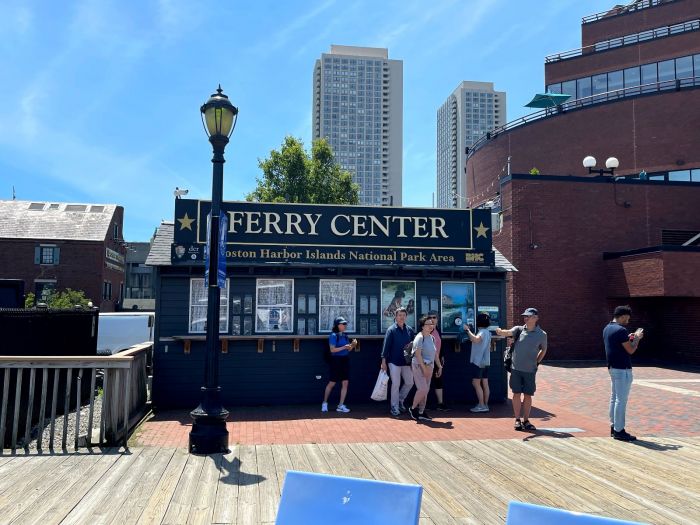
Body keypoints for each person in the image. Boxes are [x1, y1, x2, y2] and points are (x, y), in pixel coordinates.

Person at [496, 307, 547, 431]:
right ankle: (517, 419)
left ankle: (526, 420)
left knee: (528, 395)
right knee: (516, 394)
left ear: (535, 318)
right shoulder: (518, 329)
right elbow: (507, 332)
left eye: (528, 316)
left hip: (530, 370)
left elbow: (543, 350)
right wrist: (499, 331)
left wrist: (537, 362)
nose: (525, 318)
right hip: (516, 369)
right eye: (524, 316)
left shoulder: (542, 334)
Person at [604, 305, 644, 442]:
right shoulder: (621, 330)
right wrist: (637, 338)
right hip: (623, 368)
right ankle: (619, 431)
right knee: (621, 400)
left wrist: (628, 337)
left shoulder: (607, 328)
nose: (628, 321)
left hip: (612, 367)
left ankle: (614, 426)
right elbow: (631, 350)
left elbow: (617, 344)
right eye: (626, 318)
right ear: (621, 316)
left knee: (614, 398)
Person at [380, 307, 415, 417]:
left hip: (406, 362)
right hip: (393, 362)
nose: (402, 317)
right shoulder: (391, 330)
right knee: (396, 384)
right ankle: (394, 407)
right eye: (399, 315)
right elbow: (386, 347)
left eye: (404, 315)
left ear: (406, 317)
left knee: (410, 382)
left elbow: (413, 347)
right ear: (396, 316)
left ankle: (400, 400)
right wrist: (383, 361)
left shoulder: (410, 330)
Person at [322, 316, 357, 413]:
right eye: (343, 324)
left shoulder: (345, 335)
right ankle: (324, 403)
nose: (345, 325)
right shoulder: (333, 335)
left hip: (345, 360)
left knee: (345, 383)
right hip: (336, 360)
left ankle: (341, 405)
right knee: (332, 383)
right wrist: (344, 347)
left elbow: (348, 349)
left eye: (345, 324)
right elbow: (332, 350)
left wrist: (352, 345)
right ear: (338, 325)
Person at [408, 315, 439, 422]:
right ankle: (412, 409)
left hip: (430, 366)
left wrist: (439, 366)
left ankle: (421, 412)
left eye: (432, 324)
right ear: (422, 326)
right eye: (428, 324)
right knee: (423, 389)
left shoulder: (432, 338)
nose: (431, 326)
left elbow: (435, 354)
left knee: (425, 391)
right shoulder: (419, 337)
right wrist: (424, 368)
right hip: (418, 366)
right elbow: (418, 355)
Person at [464, 313, 493, 412]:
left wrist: (467, 330)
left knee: (476, 383)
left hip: (478, 362)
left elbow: (475, 340)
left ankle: (481, 405)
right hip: (486, 361)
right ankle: (485, 405)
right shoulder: (488, 332)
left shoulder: (482, 332)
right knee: (485, 383)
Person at [427, 310, 448, 411]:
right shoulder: (426, 330)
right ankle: (421, 405)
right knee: (425, 383)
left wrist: (442, 356)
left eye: (434, 317)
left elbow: (440, 344)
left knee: (438, 381)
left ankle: (440, 403)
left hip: (437, 360)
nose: (432, 319)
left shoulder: (437, 330)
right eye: (430, 317)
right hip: (427, 361)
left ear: (437, 319)